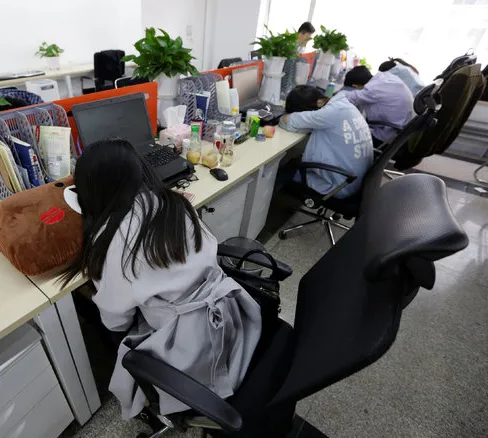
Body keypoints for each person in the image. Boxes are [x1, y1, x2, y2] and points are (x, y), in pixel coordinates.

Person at [62, 139, 261, 419]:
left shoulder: (115, 241)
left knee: (102, 318)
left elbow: (116, 319)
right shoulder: (174, 202)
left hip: (189, 345)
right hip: (232, 315)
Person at [279, 85, 373, 198]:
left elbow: (286, 121)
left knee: (283, 170)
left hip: (340, 186)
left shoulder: (328, 114)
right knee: (296, 159)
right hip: (355, 180)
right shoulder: (344, 106)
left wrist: (293, 115)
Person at [343, 65, 415, 146]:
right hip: (402, 132)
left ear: (355, 86)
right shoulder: (387, 77)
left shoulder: (372, 90)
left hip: (387, 137)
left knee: (344, 137)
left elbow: (346, 97)